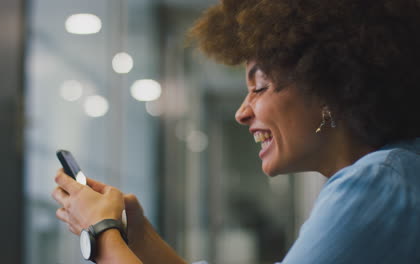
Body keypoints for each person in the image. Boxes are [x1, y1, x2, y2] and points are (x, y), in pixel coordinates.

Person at [52, 0, 420, 263]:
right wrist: (137, 235)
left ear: (332, 84)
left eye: (259, 86)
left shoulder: (377, 182)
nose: (242, 112)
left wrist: (100, 233)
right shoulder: (395, 173)